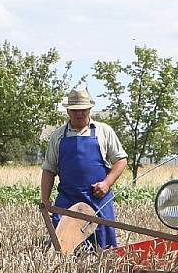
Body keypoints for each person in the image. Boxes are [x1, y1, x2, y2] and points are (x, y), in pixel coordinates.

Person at [40, 87, 128, 248]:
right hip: (68, 199)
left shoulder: (104, 131)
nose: (79, 113)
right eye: (75, 110)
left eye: (83, 109)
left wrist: (107, 183)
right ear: (68, 111)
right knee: (61, 248)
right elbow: (48, 170)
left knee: (104, 248)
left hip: (98, 199)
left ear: (89, 109)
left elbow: (121, 160)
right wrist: (45, 199)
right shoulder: (57, 136)